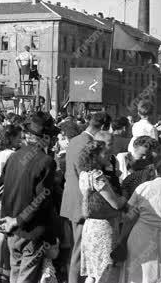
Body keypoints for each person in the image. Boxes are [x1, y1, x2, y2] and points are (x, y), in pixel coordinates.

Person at [0, 113, 60, 283]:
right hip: (30, 229)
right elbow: (41, 199)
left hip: (13, 227)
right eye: (52, 137)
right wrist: (18, 220)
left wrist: (10, 220)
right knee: (25, 278)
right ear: (46, 138)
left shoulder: (14, 156)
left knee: (15, 274)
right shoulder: (46, 161)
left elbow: (4, 189)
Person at [60, 111, 109, 283]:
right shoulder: (89, 145)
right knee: (79, 251)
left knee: (75, 248)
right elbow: (86, 175)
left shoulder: (75, 140)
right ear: (102, 127)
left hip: (71, 198)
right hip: (82, 200)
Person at [76, 132, 127, 283]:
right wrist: (125, 194)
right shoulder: (97, 176)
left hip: (90, 226)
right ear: (95, 156)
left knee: (93, 272)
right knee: (105, 272)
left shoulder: (84, 174)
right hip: (103, 227)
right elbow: (116, 204)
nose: (109, 155)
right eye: (105, 153)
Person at [117, 154, 161, 283]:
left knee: (140, 275)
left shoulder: (144, 187)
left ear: (156, 170)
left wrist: (121, 239)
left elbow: (129, 216)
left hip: (141, 238)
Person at [0, 124, 21, 283]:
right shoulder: (12, 154)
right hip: (9, 194)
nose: (20, 140)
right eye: (18, 137)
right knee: (5, 233)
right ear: (11, 138)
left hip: (0, 194)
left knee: (0, 231)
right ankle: (4, 268)